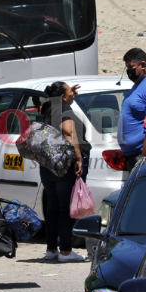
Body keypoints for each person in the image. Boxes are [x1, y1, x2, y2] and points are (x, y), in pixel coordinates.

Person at [38, 82, 86, 262]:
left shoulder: (49, 108)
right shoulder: (64, 110)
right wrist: (79, 157)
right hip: (64, 166)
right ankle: (66, 251)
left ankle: (51, 249)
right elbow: (68, 132)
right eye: (70, 91)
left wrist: (68, 95)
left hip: (48, 166)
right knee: (66, 209)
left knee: (53, 208)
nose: (73, 93)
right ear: (63, 96)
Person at [118, 48, 146, 169]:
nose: (128, 72)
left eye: (131, 67)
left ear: (143, 65)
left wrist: (145, 156)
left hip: (142, 154)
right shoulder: (138, 85)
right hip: (133, 155)